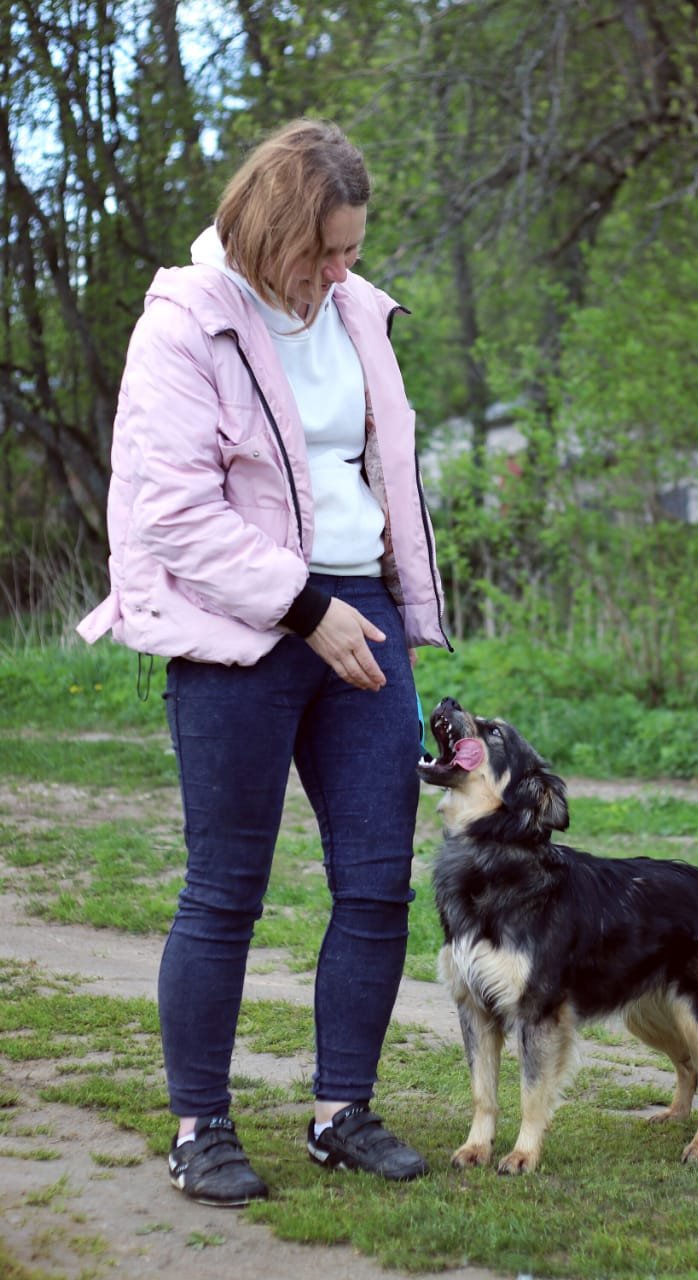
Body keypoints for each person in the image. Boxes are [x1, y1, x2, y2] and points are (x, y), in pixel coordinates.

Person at [77, 119, 449, 1206]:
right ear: (270, 230)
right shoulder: (185, 322)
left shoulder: (356, 310)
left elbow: (376, 467)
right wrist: (303, 607)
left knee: (376, 881)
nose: (340, 272)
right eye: (323, 251)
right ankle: (200, 1127)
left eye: (352, 249)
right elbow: (172, 509)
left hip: (360, 612)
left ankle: (342, 1112)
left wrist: (371, 601)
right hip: (238, 629)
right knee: (224, 889)